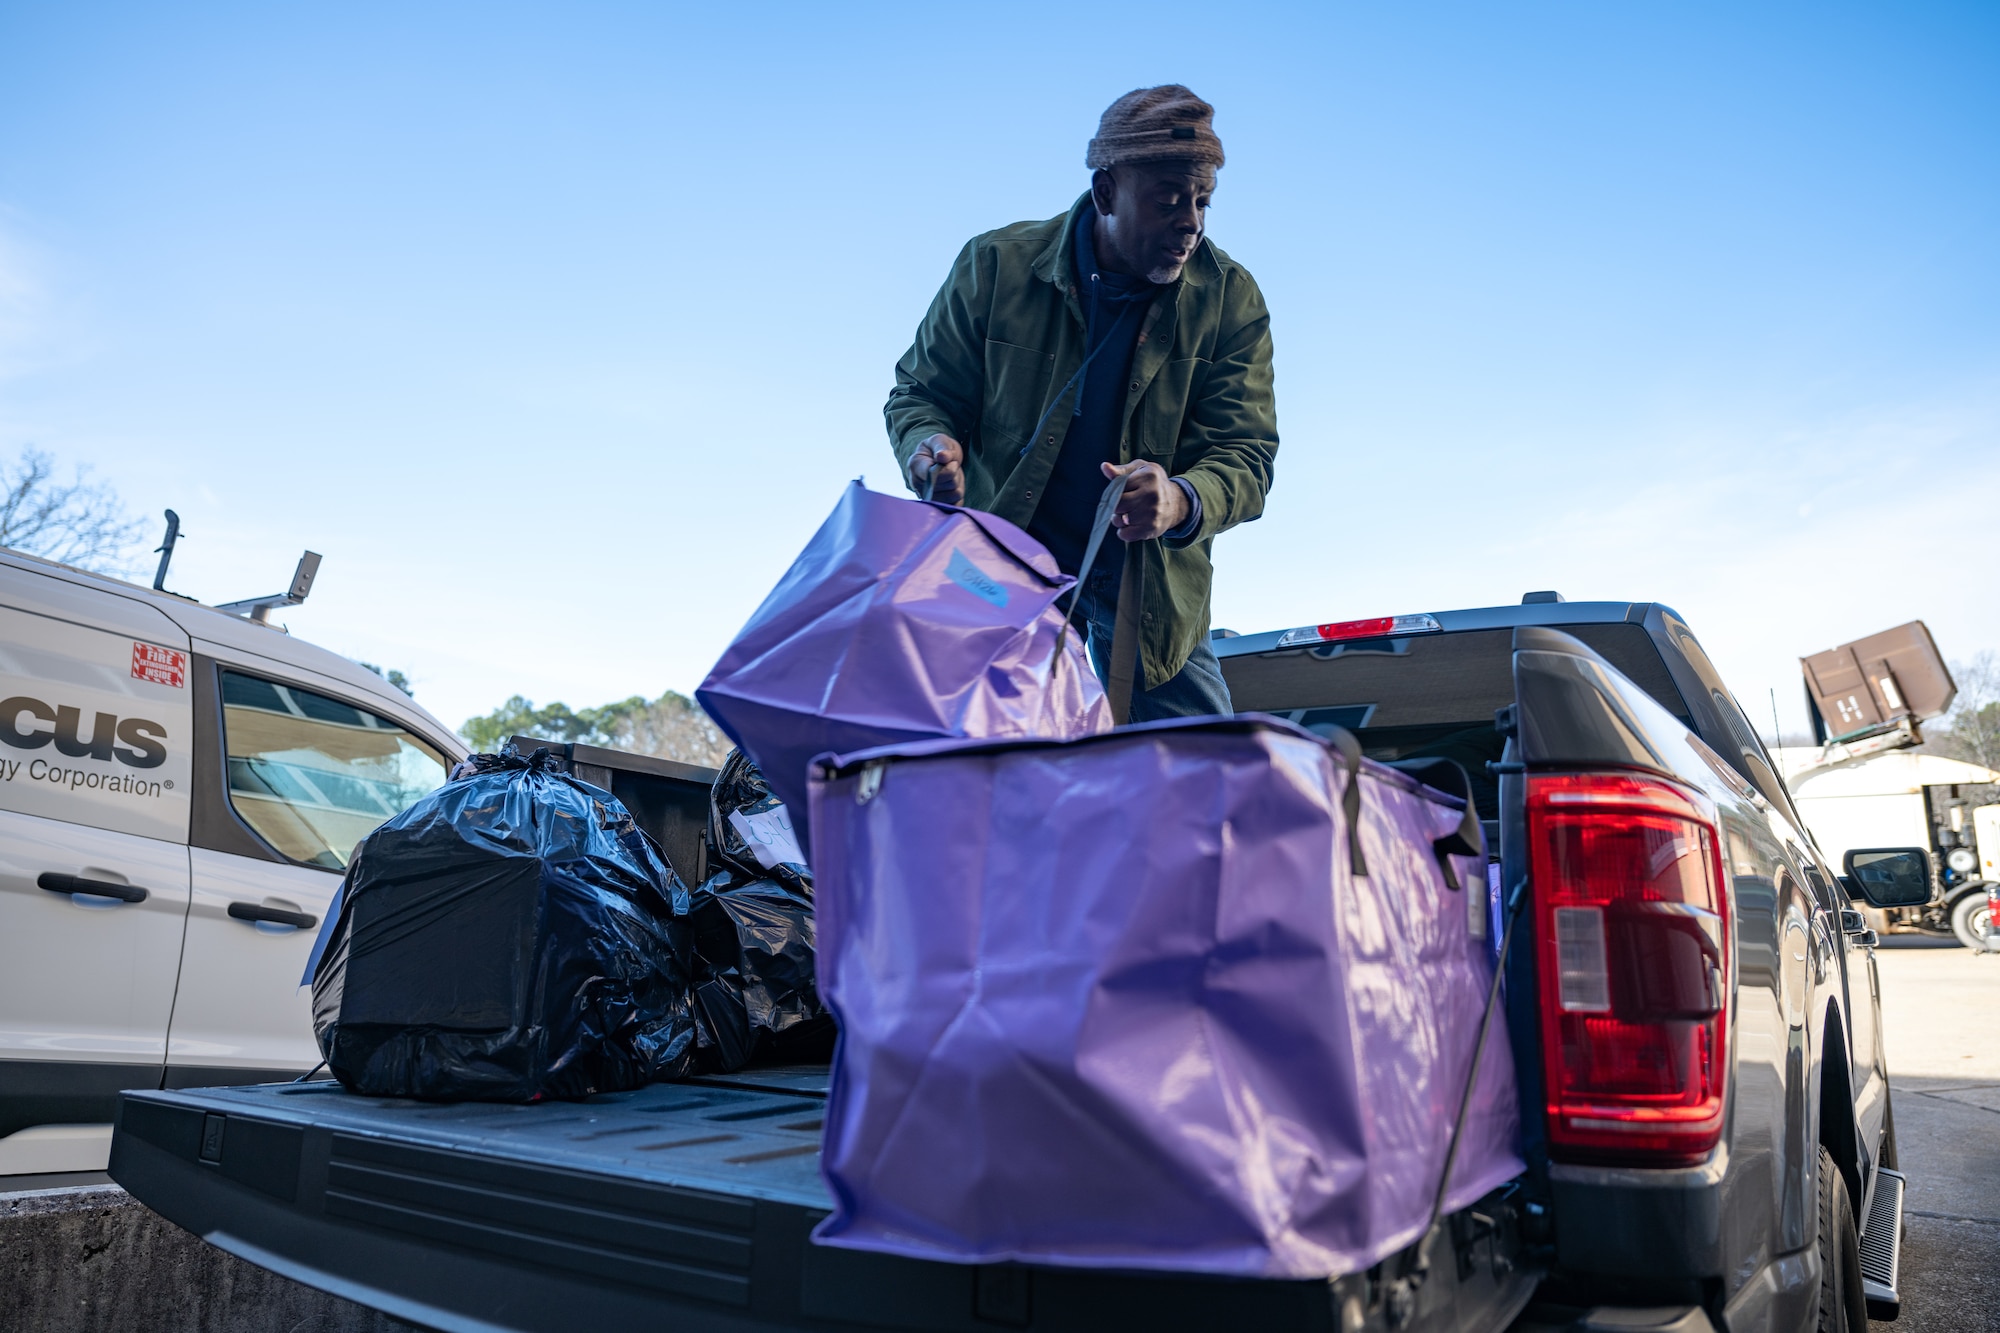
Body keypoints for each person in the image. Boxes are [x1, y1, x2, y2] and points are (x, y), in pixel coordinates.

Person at [885, 85, 1278, 721]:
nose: (1192, 223)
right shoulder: (994, 266)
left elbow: (1247, 456)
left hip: (1152, 589)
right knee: (977, 764)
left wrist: (1179, 498)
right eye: (1168, 201)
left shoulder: (1230, 299)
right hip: (998, 571)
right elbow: (921, 394)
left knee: (1202, 776)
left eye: (1203, 202)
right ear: (1105, 194)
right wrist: (928, 450)